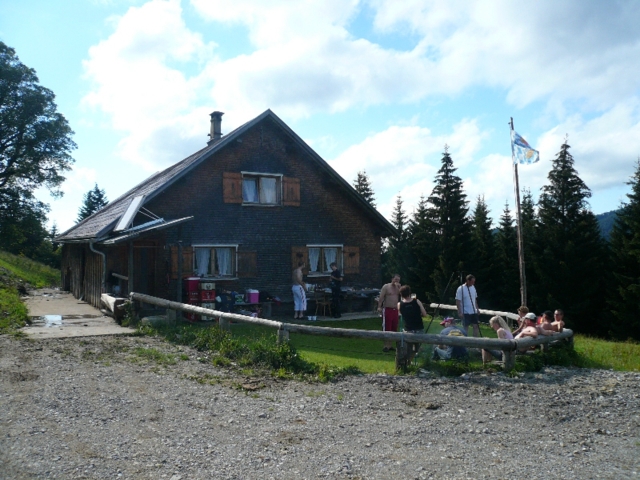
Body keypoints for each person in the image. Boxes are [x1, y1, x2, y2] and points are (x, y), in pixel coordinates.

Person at [398, 285, 428, 364]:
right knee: (419, 347)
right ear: (409, 293)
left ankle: (408, 362)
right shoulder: (417, 301)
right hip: (419, 328)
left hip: (408, 329)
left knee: (409, 348)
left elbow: (400, 314)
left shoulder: (399, 304)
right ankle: (424, 361)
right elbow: (425, 314)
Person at [377, 273, 401, 352]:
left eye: (398, 280)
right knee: (387, 327)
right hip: (387, 309)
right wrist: (379, 306)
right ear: (392, 279)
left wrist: (399, 288)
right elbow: (381, 297)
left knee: (394, 328)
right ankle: (385, 346)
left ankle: (390, 345)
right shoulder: (386, 286)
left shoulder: (398, 288)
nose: (396, 281)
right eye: (395, 279)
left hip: (395, 310)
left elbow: (402, 296)